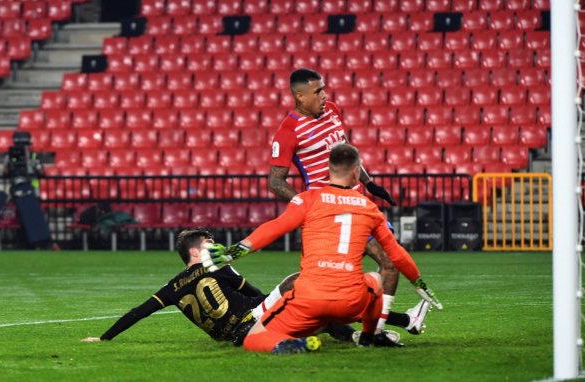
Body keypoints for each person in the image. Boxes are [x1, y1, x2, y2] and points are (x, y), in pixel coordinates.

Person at [208, 144, 441, 354]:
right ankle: (370, 337)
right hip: (350, 302)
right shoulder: (370, 208)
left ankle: (290, 345)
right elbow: (396, 254)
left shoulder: (308, 199)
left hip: (310, 299)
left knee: (253, 338)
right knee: (376, 281)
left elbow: (275, 227)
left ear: (329, 170)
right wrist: (418, 283)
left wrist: (235, 251)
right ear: (356, 172)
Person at [80, 227, 428, 346]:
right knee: (302, 285)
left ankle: (371, 332)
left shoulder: (173, 286)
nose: (214, 244)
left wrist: (105, 337)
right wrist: (282, 300)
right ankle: (387, 326)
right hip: (251, 320)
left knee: (307, 304)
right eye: (209, 241)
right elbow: (256, 295)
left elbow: (139, 312)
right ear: (196, 250)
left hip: (231, 335)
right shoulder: (219, 268)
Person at [267, 68, 408, 336]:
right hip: (329, 216)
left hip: (358, 205)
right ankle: (266, 309)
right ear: (299, 96)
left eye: (324, 89)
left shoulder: (332, 110)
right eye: (317, 91)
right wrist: (306, 203)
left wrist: (369, 183)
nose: (325, 95)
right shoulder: (287, 131)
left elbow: (347, 153)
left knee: (390, 262)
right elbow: (275, 182)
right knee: (318, 280)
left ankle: (374, 332)